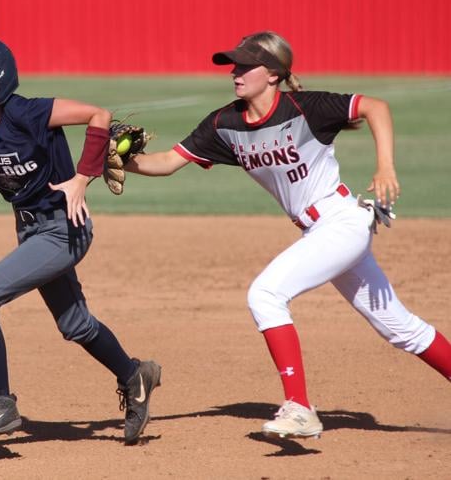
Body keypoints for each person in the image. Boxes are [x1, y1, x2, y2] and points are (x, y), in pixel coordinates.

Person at [124, 31, 451, 439]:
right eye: (234, 65)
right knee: (400, 328)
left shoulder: (306, 107)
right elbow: (169, 161)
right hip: (321, 230)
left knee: (265, 294)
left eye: (245, 65)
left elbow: (375, 107)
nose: (236, 72)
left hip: (342, 220)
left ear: (274, 74)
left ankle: (299, 407)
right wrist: (120, 161)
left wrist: (385, 166)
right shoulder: (225, 123)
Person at [0, 36, 161, 444]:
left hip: (65, 227)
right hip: (31, 230)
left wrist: (82, 178)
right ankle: (136, 376)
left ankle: (1, 403)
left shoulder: (32, 112)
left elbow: (98, 115)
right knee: (75, 324)